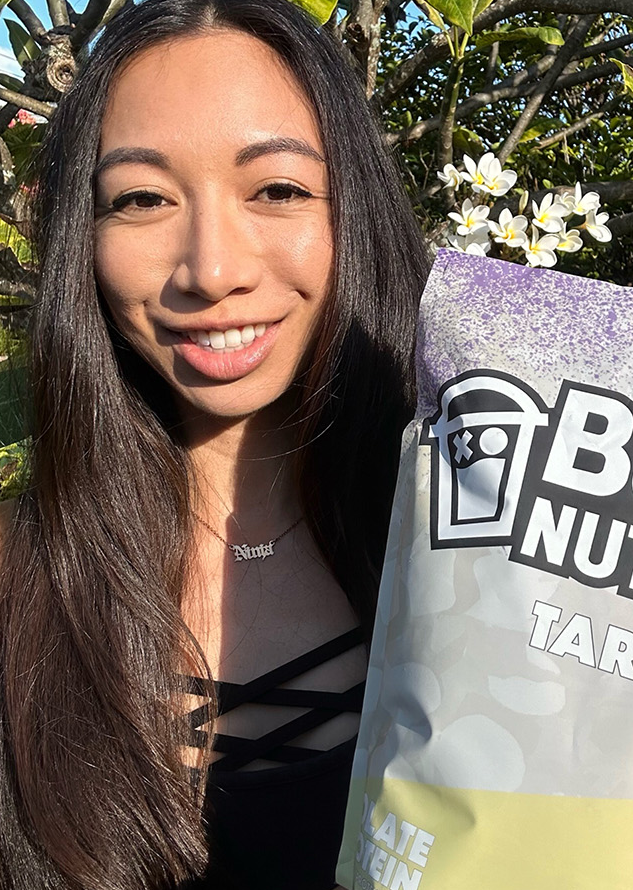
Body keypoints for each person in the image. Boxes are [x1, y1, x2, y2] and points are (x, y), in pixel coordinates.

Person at [0, 0, 429, 887]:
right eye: (143, 198)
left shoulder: (505, 565)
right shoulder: (15, 582)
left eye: (278, 189)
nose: (213, 270)